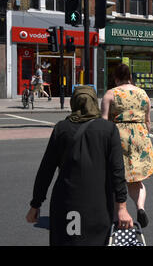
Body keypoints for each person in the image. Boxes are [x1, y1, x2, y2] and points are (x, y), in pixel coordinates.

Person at [26, 85, 134, 246]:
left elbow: (46, 170)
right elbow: (117, 171)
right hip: (98, 203)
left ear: (73, 103)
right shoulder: (108, 129)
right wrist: (122, 207)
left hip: (66, 201)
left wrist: (36, 204)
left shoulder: (61, 128)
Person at [101, 64, 153, 228]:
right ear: (130, 77)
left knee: (116, 178)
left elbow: (103, 122)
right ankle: (140, 207)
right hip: (139, 135)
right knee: (136, 180)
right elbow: (148, 121)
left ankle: (118, 217)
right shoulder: (143, 93)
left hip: (118, 136)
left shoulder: (111, 94)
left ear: (116, 78)